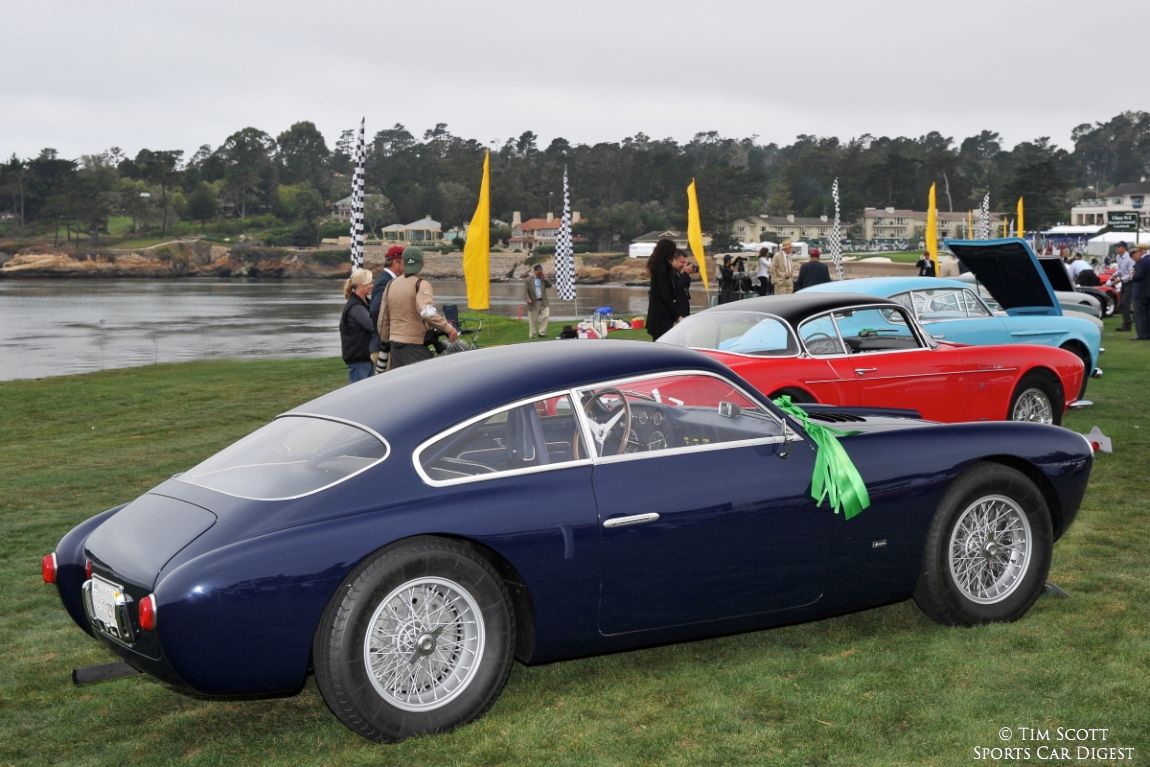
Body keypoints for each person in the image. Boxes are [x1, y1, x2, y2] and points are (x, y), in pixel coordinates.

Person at [376, 247, 457, 370]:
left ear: (403, 263)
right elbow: (427, 312)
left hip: (395, 345)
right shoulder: (421, 284)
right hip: (415, 345)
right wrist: (449, 329)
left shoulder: (391, 284)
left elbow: (383, 318)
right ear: (422, 264)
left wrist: (385, 340)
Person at [368, 244, 404, 373]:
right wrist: (386, 335)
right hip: (382, 346)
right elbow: (375, 311)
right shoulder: (385, 281)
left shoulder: (386, 279)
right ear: (396, 263)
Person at [644, 238, 687, 340]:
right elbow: (665, 294)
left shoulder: (660, 267)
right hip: (661, 315)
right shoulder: (662, 269)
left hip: (659, 313)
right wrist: (677, 315)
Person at [339, 268, 375, 384]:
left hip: (366, 357)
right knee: (360, 396)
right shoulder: (355, 307)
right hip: (359, 360)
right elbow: (372, 325)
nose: (372, 285)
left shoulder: (366, 302)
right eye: (369, 283)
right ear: (360, 285)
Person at [523, 263, 552, 338]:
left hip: (543, 301)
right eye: (539, 271)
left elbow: (549, 285)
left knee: (546, 315)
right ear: (535, 271)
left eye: (541, 271)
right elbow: (525, 291)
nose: (540, 272)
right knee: (533, 320)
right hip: (533, 302)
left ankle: (542, 332)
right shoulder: (528, 280)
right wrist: (527, 298)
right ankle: (533, 335)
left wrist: (545, 279)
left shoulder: (543, 278)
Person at [1110, 241, 1134, 331]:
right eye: (1117, 246)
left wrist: (1120, 279)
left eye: (1119, 247)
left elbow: (1131, 274)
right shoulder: (1118, 257)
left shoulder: (1129, 258)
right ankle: (1126, 323)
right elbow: (1120, 270)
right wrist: (1114, 275)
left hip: (1130, 283)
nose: (1117, 248)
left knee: (1125, 303)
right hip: (1124, 282)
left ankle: (1127, 325)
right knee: (1123, 304)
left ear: (1124, 248)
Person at [1131, 244, 1150, 340]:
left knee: (1139, 314)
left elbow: (1138, 276)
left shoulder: (1142, 262)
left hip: (1140, 291)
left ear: (1141, 250)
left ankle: (1142, 334)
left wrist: (1132, 276)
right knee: (1147, 314)